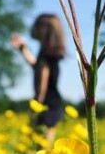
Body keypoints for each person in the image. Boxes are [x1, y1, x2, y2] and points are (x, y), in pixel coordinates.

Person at [11, 13, 66, 146]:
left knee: (42, 147)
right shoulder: (51, 54)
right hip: (54, 104)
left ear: (44, 30)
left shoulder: (46, 56)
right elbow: (37, 66)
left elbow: (42, 82)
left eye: (36, 26)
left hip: (46, 105)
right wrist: (23, 48)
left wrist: (36, 106)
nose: (33, 30)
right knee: (44, 145)